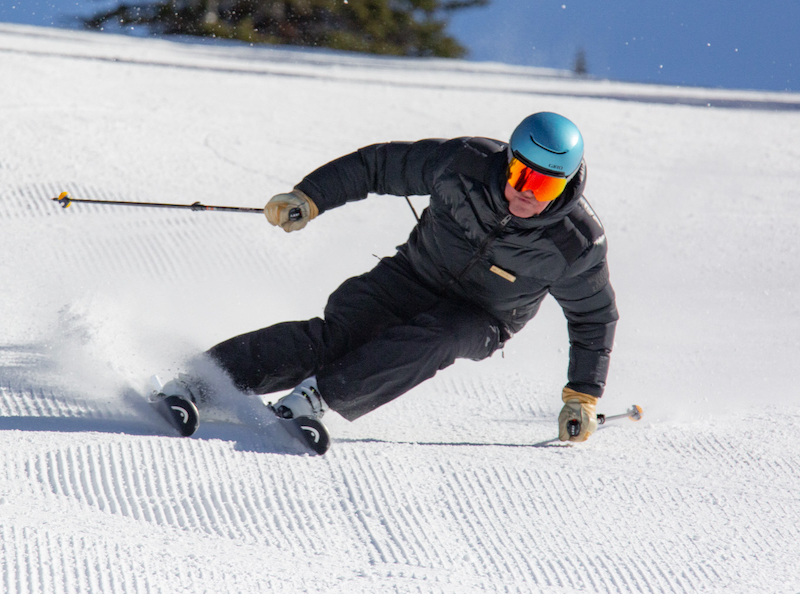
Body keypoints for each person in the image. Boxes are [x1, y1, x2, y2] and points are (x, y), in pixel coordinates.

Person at [174, 111, 618, 443]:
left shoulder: (574, 243)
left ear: (565, 185)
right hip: (412, 274)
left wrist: (582, 394)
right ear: (508, 160)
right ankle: (202, 380)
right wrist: (309, 197)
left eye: (545, 186)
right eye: (522, 174)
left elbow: (594, 318)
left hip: (481, 316)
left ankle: (317, 398)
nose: (527, 192)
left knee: (437, 337)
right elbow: (379, 166)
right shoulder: (463, 163)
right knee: (338, 335)